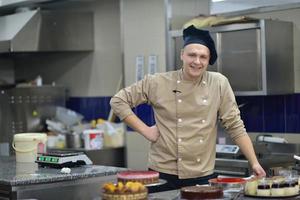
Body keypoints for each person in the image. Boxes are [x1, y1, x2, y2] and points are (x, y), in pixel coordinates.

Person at [110, 25, 266, 192]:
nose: (197, 61)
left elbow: (235, 126)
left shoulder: (218, 83)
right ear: (182, 55)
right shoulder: (157, 82)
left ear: (208, 60)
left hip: (202, 174)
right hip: (162, 173)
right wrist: (145, 131)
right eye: (192, 55)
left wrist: (254, 163)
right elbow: (118, 101)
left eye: (203, 57)